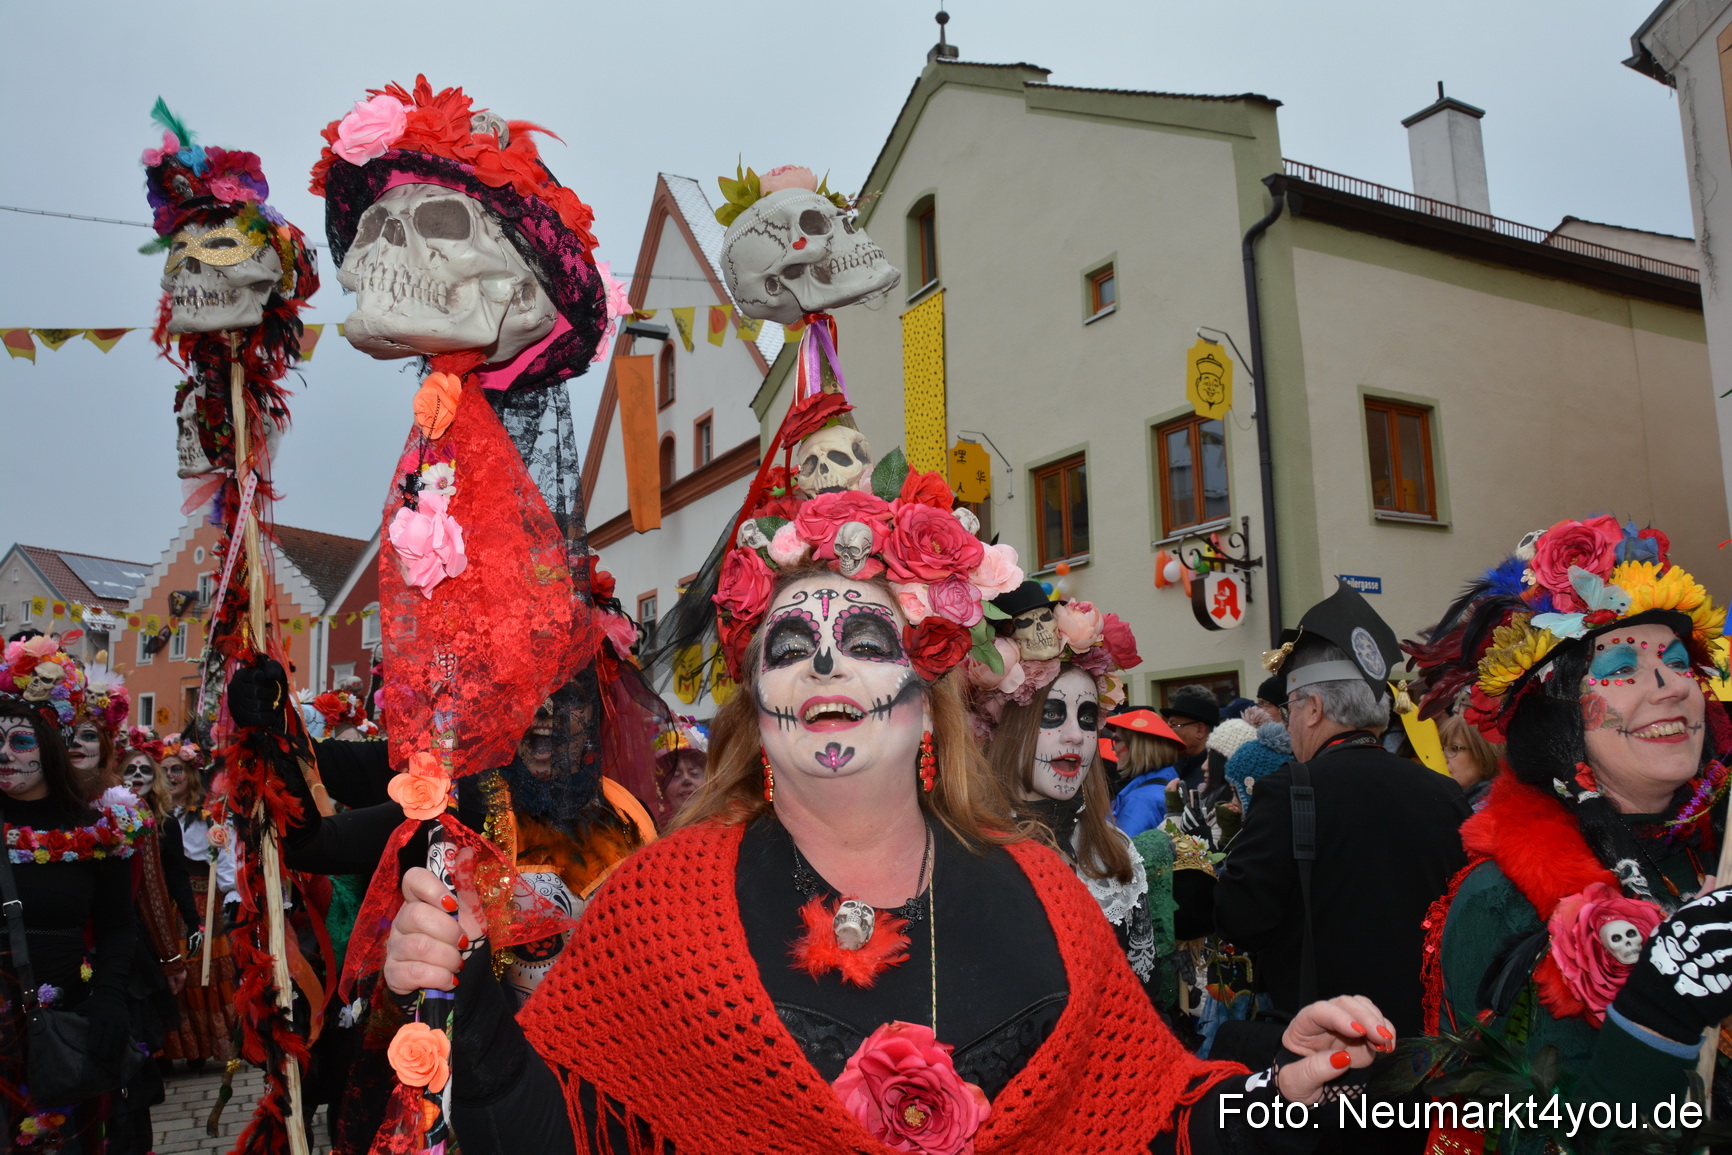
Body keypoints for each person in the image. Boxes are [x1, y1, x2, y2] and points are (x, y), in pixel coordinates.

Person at [378, 376, 1402, 1154]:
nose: (824, 663)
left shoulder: (1042, 890)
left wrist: (1275, 1096)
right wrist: (455, 995)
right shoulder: (659, 903)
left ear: (927, 702)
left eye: (865, 644)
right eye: (789, 646)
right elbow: (557, 1127)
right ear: (757, 709)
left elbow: (1152, 1121)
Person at [1409, 518, 1732, 1147]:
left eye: (1674, 663)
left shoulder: (1714, 853)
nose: (1668, 689)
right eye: (1620, 667)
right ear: (1558, 714)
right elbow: (1523, 1136)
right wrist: (1655, 1014)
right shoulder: (1498, 902)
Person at [1214, 581, 1469, 1153]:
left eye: (1292, 708)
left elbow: (1241, 917)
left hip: (1320, 1069)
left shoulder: (1289, 789)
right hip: (1421, 1071)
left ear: (1313, 707)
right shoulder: (1444, 793)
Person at [975, 583, 1156, 993]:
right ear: (1006, 726)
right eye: (1053, 715)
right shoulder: (964, 845)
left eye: (1088, 717)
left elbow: (1143, 1004)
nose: (1075, 736)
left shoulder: (1112, 851)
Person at [0, 642, 143, 1152]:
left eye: (20, 741)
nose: (3, 755)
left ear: (49, 745)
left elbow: (117, 926)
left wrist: (109, 999)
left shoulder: (99, 829)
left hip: (65, 1027)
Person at [1107, 708, 1185, 837]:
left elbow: (1125, 851)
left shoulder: (1142, 800)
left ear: (1136, 747)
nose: (1113, 747)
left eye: (1116, 740)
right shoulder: (1164, 786)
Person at [1436, 712, 1502, 811]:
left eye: (1454, 749)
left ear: (1482, 755)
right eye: (1441, 749)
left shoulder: (1491, 812)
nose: (1443, 758)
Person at [652, 717, 709, 827]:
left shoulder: (727, 822)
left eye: (694, 774)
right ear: (661, 786)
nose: (687, 781)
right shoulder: (654, 831)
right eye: (676, 776)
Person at [1161, 688, 1219, 792]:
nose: (1168, 731)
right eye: (1167, 725)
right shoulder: (1172, 764)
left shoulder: (1214, 774)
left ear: (1200, 730)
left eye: (1174, 725)